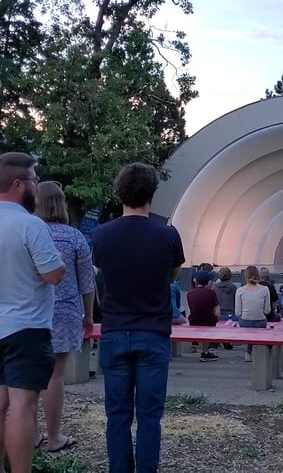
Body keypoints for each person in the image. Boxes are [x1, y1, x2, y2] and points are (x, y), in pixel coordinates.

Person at [0, 152, 66, 473]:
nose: (37, 185)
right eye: (34, 179)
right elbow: (53, 274)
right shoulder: (30, 225)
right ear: (19, 184)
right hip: (26, 327)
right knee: (22, 406)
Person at [92, 162, 185, 472]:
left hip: (115, 330)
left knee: (117, 415)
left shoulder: (102, 235)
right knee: (149, 417)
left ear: (119, 193)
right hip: (153, 333)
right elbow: (172, 276)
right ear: (152, 194)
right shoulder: (169, 236)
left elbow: (101, 272)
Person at [35, 181, 96, 453]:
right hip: (65, 310)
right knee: (55, 376)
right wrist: (89, 316)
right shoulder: (74, 237)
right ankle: (54, 435)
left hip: (31, 312)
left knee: (29, 375)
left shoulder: (29, 233)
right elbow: (87, 283)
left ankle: (32, 432)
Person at [235, 266, 271, 362]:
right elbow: (267, 311)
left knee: (245, 322)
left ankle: (249, 351)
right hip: (260, 321)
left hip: (245, 322)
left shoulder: (240, 291)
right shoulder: (265, 289)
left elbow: (237, 313)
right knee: (261, 323)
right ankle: (255, 351)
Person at [187, 271, 220, 361]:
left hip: (194, 320)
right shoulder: (211, 293)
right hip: (209, 321)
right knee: (209, 320)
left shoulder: (189, 293)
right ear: (208, 282)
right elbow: (217, 312)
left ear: (196, 281)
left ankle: (203, 351)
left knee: (202, 320)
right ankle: (205, 352)